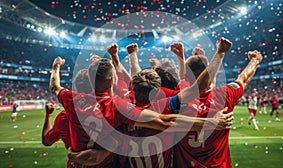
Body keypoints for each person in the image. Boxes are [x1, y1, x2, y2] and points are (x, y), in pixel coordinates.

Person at [50, 53, 232, 168]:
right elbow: (167, 119)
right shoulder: (121, 108)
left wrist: (56, 67)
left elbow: (55, 87)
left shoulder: (72, 99)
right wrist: (211, 122)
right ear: (112, 81)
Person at [173, 49, 263, 167]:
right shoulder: (225, 95)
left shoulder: (178, 98)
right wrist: (255, 61)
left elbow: (184, 79)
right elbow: (243, 79)